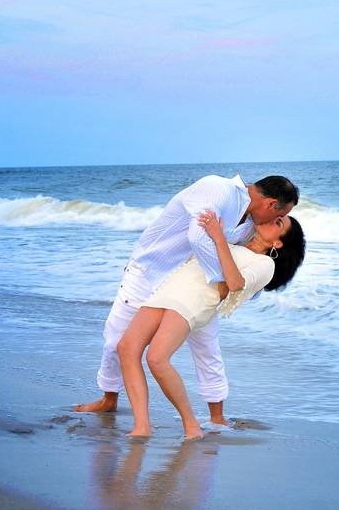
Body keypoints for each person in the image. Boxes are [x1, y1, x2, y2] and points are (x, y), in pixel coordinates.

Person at [74, 175, 299, 426]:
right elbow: (199, 237)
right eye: (280, 215)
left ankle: (217, 417)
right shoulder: (218, 189)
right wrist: (222, 280)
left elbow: (244, 265)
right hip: (151, 271)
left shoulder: (251, 227)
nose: (273, 221)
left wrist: (237, 288)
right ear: (270, 204)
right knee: (117, 340)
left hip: (195, 289)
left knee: (207, 349)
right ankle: (109, 398)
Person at [118, 210, 305, 438]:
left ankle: (191, 425)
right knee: (126, 347)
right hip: (171, 286)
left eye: (278, 222)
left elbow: (235, 283)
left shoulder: (265, 264)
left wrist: (218, 238)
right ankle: (142, 427)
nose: (270, 218)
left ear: (278, 242)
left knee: (156, 358)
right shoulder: (235, 240)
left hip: (194, 299)